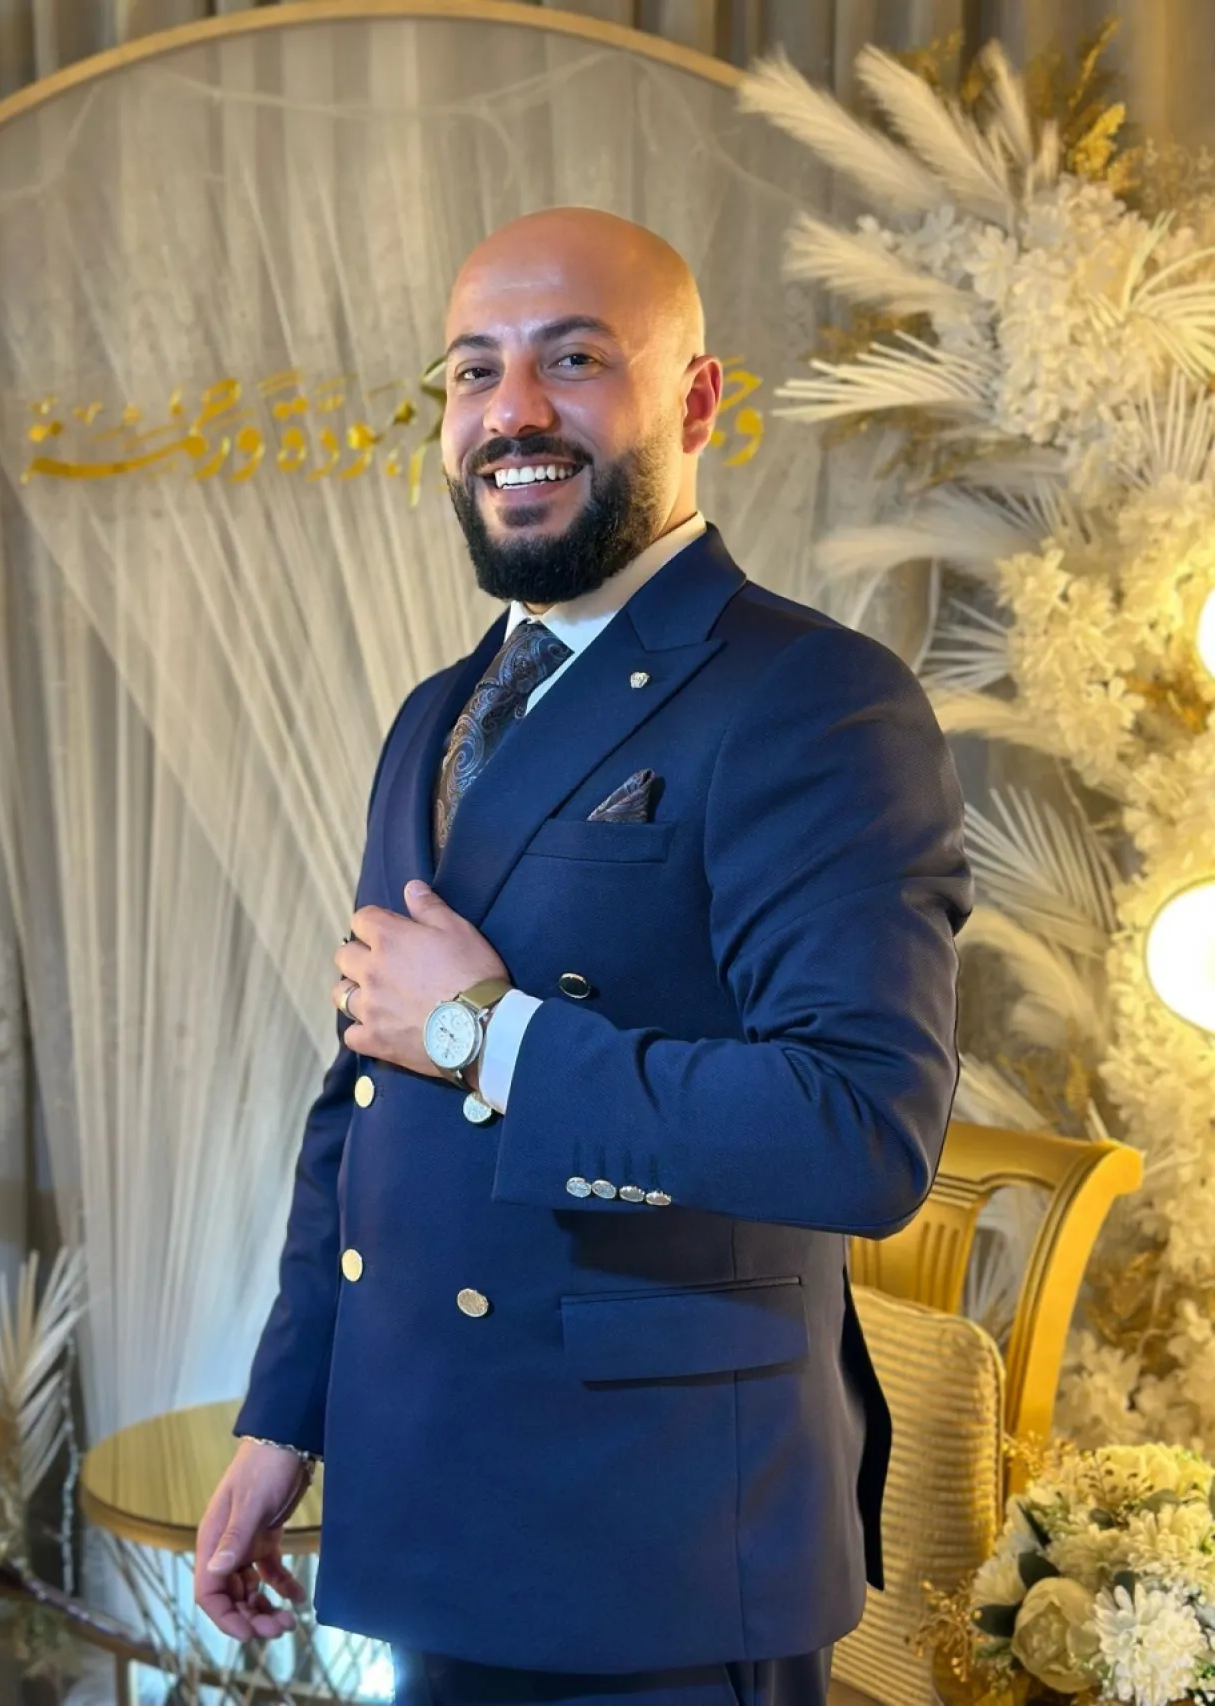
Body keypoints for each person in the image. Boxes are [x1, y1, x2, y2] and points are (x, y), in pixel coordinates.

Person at [194, 207, 971, 1706]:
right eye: (473, 370)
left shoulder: (817, 699)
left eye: (573, 360)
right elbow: (366, 1082)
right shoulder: (435, 713)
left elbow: (862, 1132)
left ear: (697, 399)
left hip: (657, 1545)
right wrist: (284, 1417)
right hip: (439, 1507)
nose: (513, 411)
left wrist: (486, 1034)